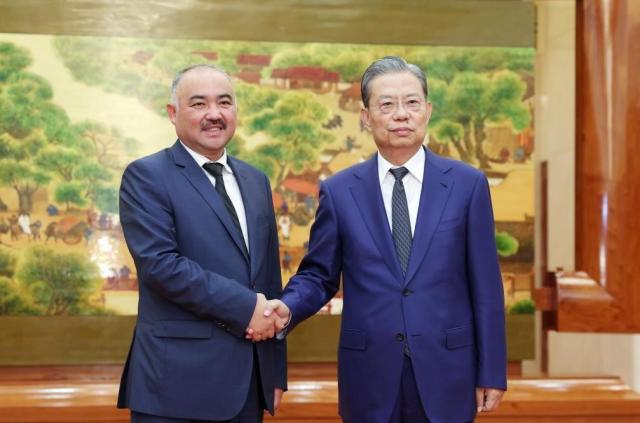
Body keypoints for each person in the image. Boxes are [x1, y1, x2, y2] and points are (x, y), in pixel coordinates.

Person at [257, 56, 507, 423]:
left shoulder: (467, 185)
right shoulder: (340, 191)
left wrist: (491, 371)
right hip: (370, 374)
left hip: (448, 371)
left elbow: (486, 285)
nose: (401, 114)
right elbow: (319, 275)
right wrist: (287, 307)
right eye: (387, 104)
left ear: (428, 110)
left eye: (412, 103)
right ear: (365, 116)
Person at [117, 64, 287, 423]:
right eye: (198, 104)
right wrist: (247, 307)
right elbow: (161, 266)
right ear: (173, 113)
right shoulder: (147, 176)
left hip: (249, 386)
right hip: (176, 387)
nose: (214, 114)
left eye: (224, 102)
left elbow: (268, 276)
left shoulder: (256, 181)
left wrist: (274, 370)